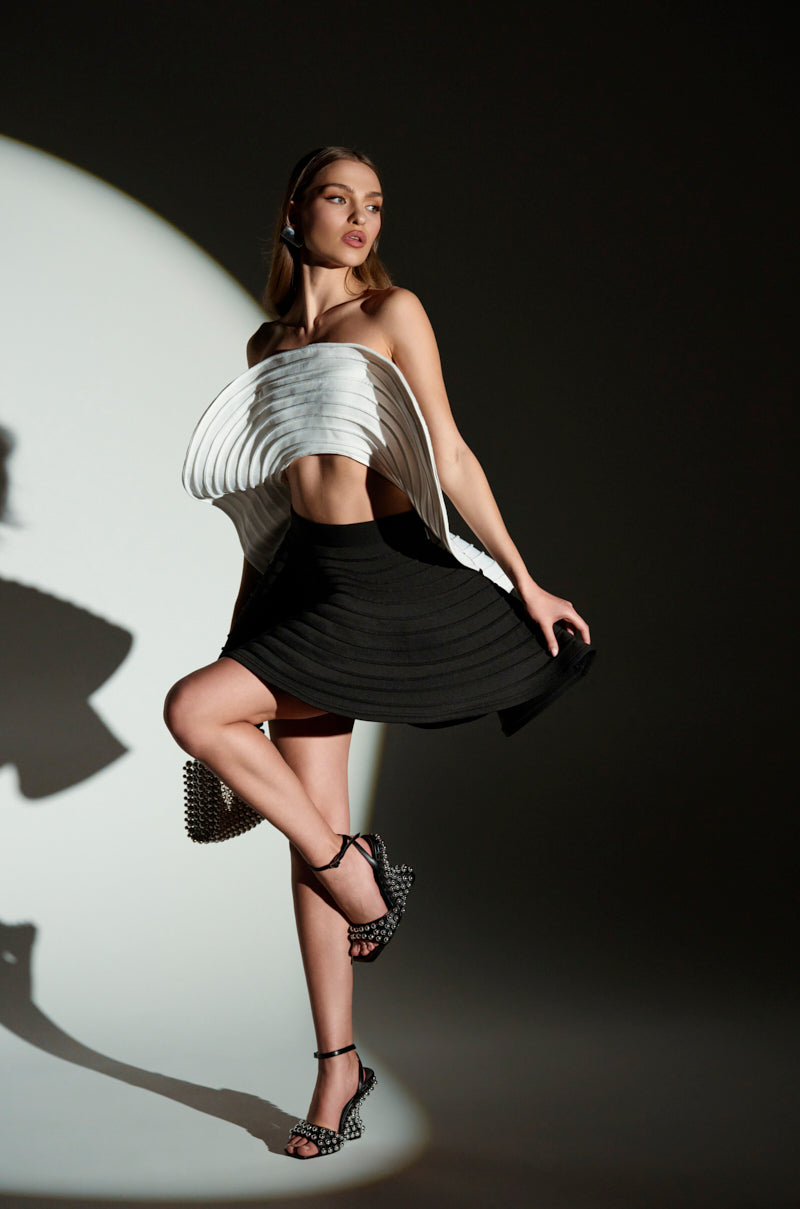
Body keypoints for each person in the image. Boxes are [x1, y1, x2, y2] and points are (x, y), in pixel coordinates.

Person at [164, 146, 595, 1160]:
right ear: (292, 211)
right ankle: (338, 1066)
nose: (359, 220)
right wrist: (242, 630)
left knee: (200, 720)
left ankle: (355, 874)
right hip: (298, 583)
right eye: (337, 199)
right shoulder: (268, 343)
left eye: (374, 205)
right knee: (281, 796)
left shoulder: (391, 314)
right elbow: (268, 512)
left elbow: (445, 449)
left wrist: (523, 578)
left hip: (377, 577)